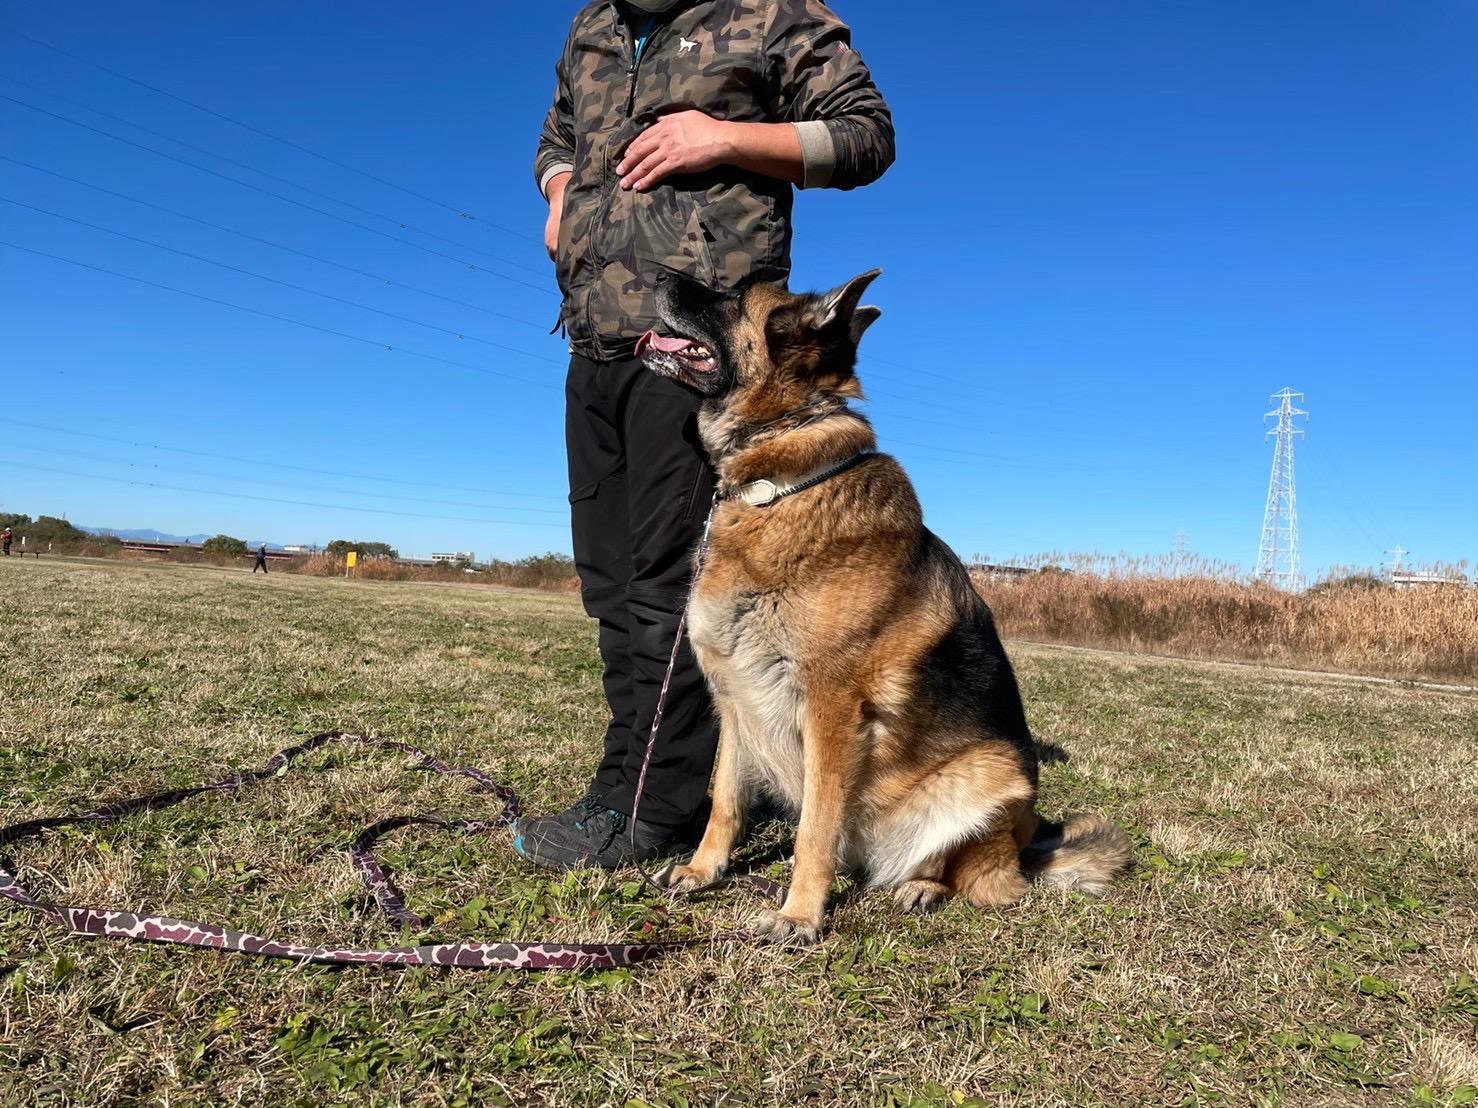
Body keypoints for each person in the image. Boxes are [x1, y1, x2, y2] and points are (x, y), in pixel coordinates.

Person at [514, 0, 895, 871]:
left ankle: (652, 812)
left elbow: (867, 137)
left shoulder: (770, 13)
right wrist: (560, 188)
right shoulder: (592, 26)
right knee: (610, 586)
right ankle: (624, 784)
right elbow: (557, 132)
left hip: (703, 357)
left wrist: (721, 138)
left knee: (664, 590)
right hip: (594, 336)